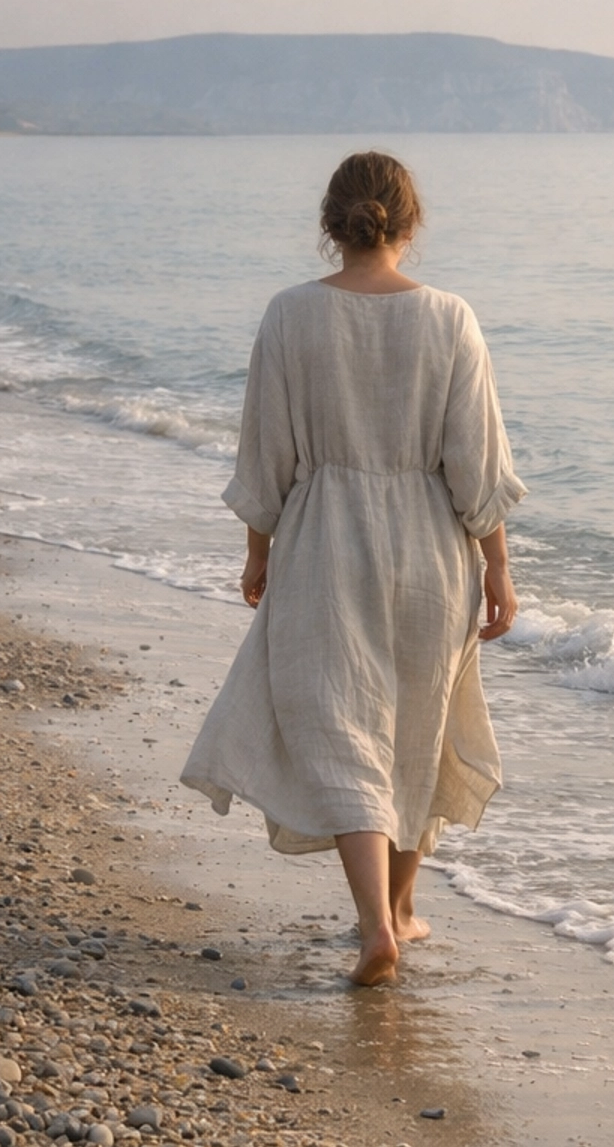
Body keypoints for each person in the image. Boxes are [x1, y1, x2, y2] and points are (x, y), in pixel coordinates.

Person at [181, 150, 525, 985]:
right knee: (416, 726)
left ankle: (377, 923)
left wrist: (258, 550)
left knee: (343, 729)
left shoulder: (290, 315)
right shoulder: (450, 317)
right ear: (410, 224)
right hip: (430, 547)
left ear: (329, 226)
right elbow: (476, 464)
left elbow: (268, 454)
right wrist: (497, 570)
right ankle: (402, 915)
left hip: (324, 539)